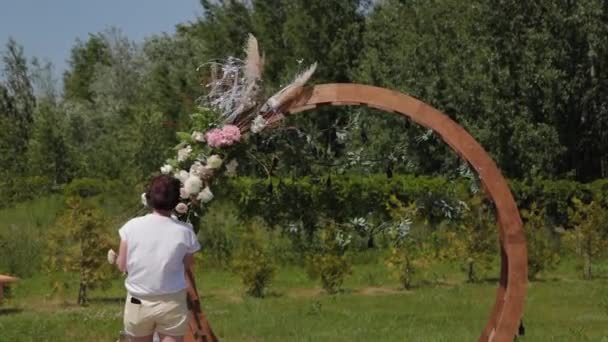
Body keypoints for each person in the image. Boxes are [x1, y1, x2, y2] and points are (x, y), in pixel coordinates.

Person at [109, 175, 201, 342]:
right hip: (172, 302)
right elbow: (188, 264)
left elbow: (122, 266)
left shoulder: (131, 227)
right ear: (176, 201)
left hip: (138, 302)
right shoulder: (185, 231)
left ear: (149, 198)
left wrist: (117, 260)